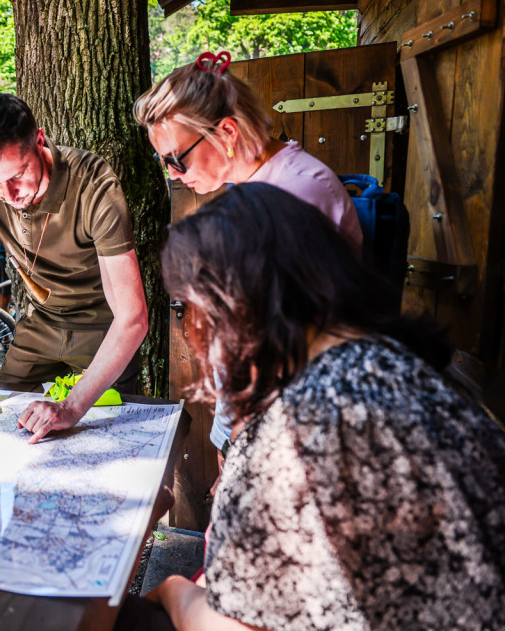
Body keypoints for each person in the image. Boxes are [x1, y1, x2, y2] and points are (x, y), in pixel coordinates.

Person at [145, 183, 505, 630]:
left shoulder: (286, 433)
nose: (188, 328)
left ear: (228, 310)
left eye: (184, 309)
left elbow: (232, 626)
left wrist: (172, 590)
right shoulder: (418, 365)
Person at [133, 52, 363, 464]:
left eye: (175, 157)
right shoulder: (263, 183)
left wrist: (232, 441)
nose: (171, 172)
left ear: (226, 132)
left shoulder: (292, 193)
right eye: (162, 160)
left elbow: (263, 350)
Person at [0, 93, 149, 444]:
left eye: (17, 175)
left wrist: (71, 407)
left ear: (39, 141)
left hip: (103, 328)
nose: (7, 194)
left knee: (104, 439)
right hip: (39, 326)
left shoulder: (94, 183)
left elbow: (132, 317)